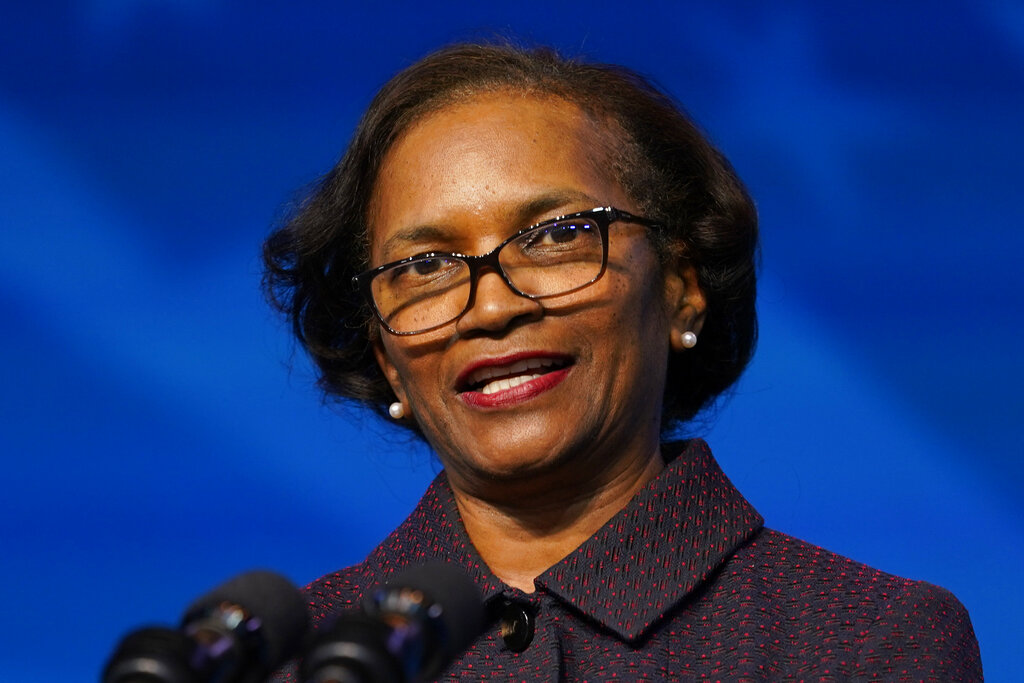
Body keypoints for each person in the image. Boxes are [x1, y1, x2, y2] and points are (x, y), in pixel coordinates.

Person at [263, 43, 982, 680]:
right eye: (425, 266)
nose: (491, 307)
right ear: (386, 358)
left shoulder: (866, 642)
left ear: (681, 289)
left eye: (556, 236)